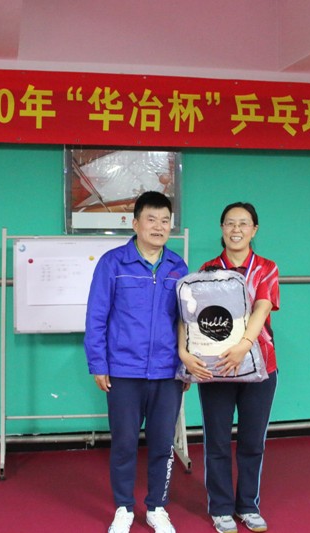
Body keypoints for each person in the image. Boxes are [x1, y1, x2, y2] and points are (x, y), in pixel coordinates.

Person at [85, 191, 190, 533]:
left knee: (162, 444)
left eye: (165, 221)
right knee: (125, 443)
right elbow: (96, 317)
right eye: (151, 219)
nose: (159, 227)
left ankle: (157, 507)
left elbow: (187, 321)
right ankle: (124, 508)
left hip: (167, 372)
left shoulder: (178, 267)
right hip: (123, 371)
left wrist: (186, 366)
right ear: (135, 224)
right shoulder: (113, 263)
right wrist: (98, 364)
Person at [178, 202, 279, 533]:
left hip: (260, 367)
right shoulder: (207, 270)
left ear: (254, 229)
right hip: (216, 369)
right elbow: (192, 316)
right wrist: (186, 353)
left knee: (252, 442)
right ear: (222, 228)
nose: (237, 229)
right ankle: (221, 508)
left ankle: (248, 505)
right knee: (217, 441)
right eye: (230, 223)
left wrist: (243, 346)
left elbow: (262, 307)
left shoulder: (266, 268)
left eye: (244, 223)